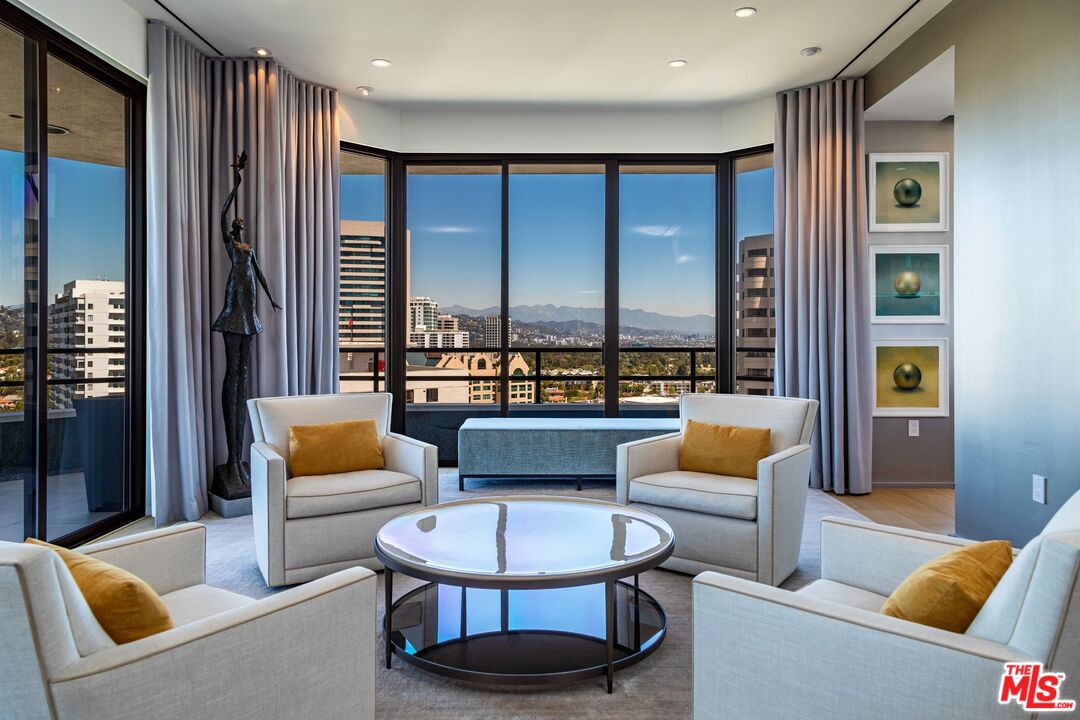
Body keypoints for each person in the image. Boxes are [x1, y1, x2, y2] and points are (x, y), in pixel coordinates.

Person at [211, 151, 281, 498]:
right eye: (236, 224)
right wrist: (236, 183)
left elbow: (260, 275)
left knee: (243, 375)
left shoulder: (248, 249)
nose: (238, 224)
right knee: (232, 375)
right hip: (233, 305)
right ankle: (232, 457)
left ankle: (239, 458)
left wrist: (270, 299)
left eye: (240, 223)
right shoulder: (230, 244)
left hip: (251, 306)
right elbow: (222, 217)